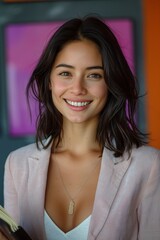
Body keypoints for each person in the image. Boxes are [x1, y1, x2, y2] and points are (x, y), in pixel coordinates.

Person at [1, 16, 160, 240]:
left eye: (94, 75)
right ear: (49, 81)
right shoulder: (17, 165)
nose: (77, 88)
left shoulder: (148, 165)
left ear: (111, 83)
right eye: (65, 73)